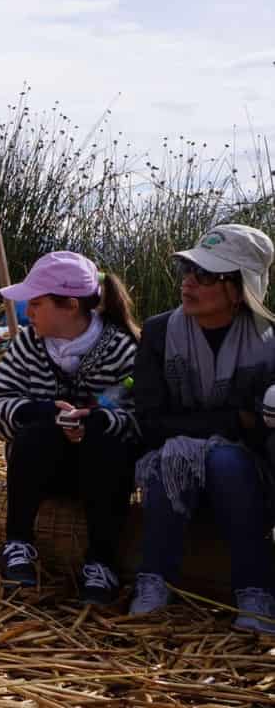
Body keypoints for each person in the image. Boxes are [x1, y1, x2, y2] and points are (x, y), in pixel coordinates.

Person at [128, 224, 275, 635]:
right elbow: (151, 421)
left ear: (240, 287)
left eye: (206, 275)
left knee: (226, 461)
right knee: (174, 459)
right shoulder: (159, 332)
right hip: (170, 452)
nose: (188, 284)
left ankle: (255, 591)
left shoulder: (270, 341)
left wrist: (228, 432)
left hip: (246, 468)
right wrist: (231, 421)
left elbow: (263, 429)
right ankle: (153, 579)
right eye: (187, 270)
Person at [0, 251, 140, 604]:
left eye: (36, 303)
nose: (28, 312)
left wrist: (96, 422)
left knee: (107, 443)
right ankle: (17, 543)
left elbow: (140, 421)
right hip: (42, 471)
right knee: (37, 431)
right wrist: (38, 411)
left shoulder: (120, 350)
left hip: (99, 479)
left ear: (69, 305)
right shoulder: (28, 344)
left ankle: (101, 563)